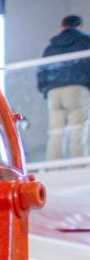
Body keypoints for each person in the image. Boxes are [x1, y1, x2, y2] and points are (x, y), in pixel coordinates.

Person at [39, 14, 90, 160]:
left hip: (54, 92)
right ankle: (79, 165)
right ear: (80, 27)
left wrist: (45, 91)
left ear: (61, 26)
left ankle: (53, 167)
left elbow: (41, 71)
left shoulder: (50, 47)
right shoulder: (86, 42)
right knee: (77, 130)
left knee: (55, 132)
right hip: (78, 89)